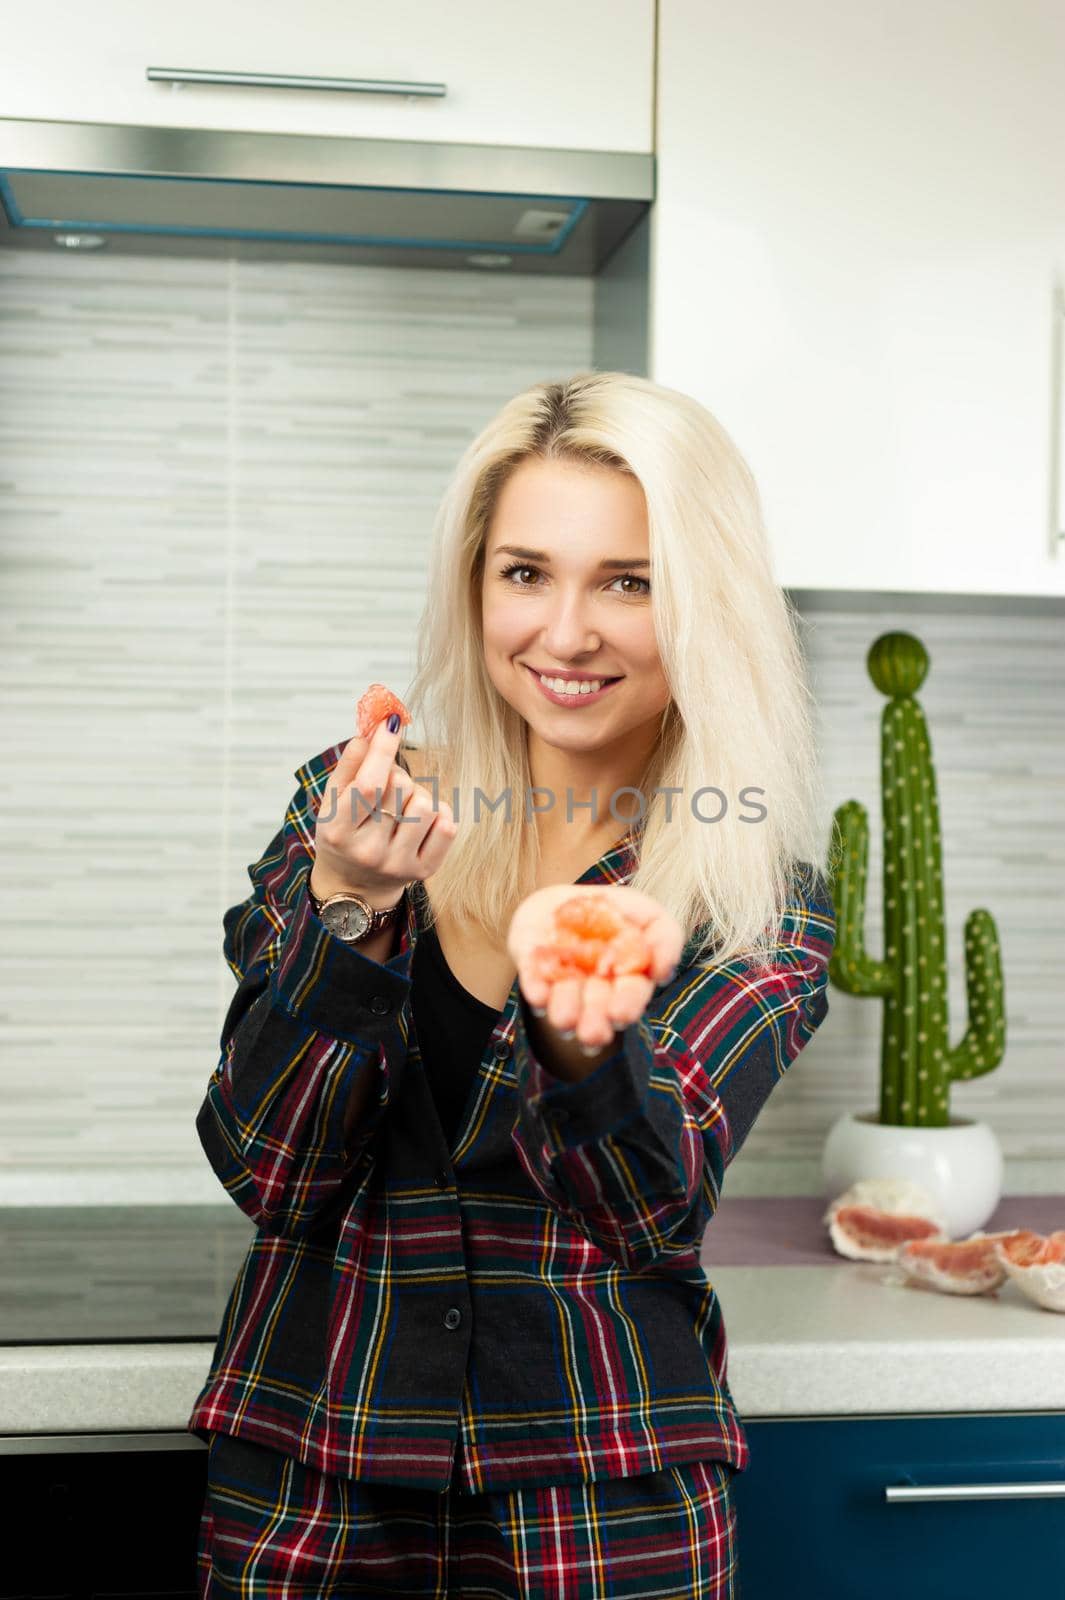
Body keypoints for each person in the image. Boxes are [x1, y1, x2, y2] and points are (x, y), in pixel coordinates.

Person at [188, 370, 836, 1597]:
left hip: (604, 1506)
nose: (567, 631)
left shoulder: (757, 891)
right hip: (314, 1481)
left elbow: (649, 1211)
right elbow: (266, 1168)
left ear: (707, 605)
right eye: (526, 571)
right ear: (476, 583)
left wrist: (584, 1041)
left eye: (630, 582)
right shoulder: (358, 805)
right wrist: (352, 913)